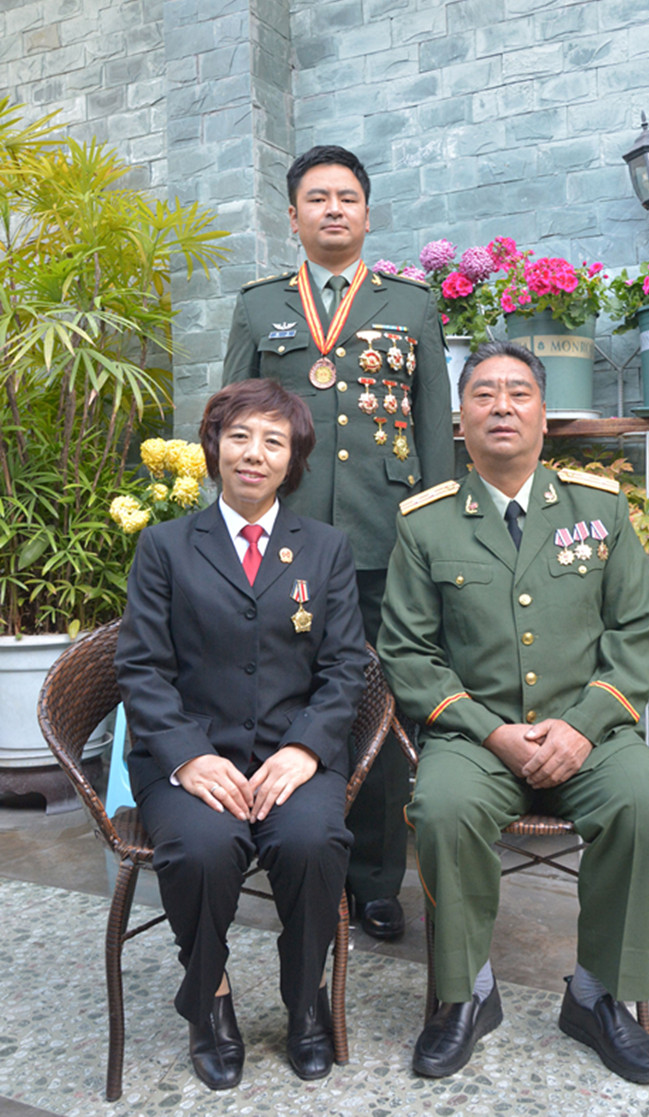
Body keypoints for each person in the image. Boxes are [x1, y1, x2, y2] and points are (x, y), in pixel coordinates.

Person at [377, 341, 649, 1083]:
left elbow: (637, 633)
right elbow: (408, 652)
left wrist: (582, 725)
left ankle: (598, 996)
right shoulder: (426, 523)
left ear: (545, 415)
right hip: (475, 737)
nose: (502, 406)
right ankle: (466, 995)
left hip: (591, 730)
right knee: (443, 808)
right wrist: (491, 731)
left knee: (644, 803)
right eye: (483, 394)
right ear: (461, 420)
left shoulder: (599, 508)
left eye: (519, 392)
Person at [222, 145, 454, 942]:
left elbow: (433, 430)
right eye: (317, 198)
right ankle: (291, 856)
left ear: (366, 213)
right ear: (292, 216)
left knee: (378, 704)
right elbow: (230, 422)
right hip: (281, 540)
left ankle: (377, 879)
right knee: (282, 693)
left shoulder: (411, 305)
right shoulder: (259, 306)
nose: (332, 209)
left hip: (385, 540)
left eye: (346, 197)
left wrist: (438, 534)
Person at [114, 379, 367, 1089]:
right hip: (188, 755)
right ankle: (211, 996)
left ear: (294, 459)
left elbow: (347, 665)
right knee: (201, 848)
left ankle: (305, 998)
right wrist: (188, 756)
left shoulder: (326, 549)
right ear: (214, 448)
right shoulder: (165, 546)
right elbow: (141, 667)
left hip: (294, 754)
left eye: (273, 441)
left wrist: (306, 748)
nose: (254, 454)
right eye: (239, 437)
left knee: (313, 842)